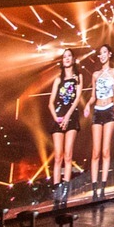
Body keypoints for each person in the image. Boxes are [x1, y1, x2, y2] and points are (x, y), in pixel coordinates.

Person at [47, 51, 83, 208]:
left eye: (69, 56)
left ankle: (65, 194)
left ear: (73, 59)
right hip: (59, 118)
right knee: (58, 157)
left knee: (68, 155)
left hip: (72, 116)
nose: (67, 58)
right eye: (64, 56)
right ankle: (56, 192)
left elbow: (76, 99)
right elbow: (50, 103)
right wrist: (57, 118)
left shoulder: (78, 78)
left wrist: (67, 116)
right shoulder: (58, 80)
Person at [86, 45, 114, 202]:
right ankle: (94, 188)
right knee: (95, 152)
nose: (102, 55)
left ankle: (103, 187)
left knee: (106, 151)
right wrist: (87, 105)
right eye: (100, 54)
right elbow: (93, 95)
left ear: (109, 54)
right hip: (98, 110)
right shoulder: (95, 74)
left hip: (109, 109)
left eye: (105, 52)